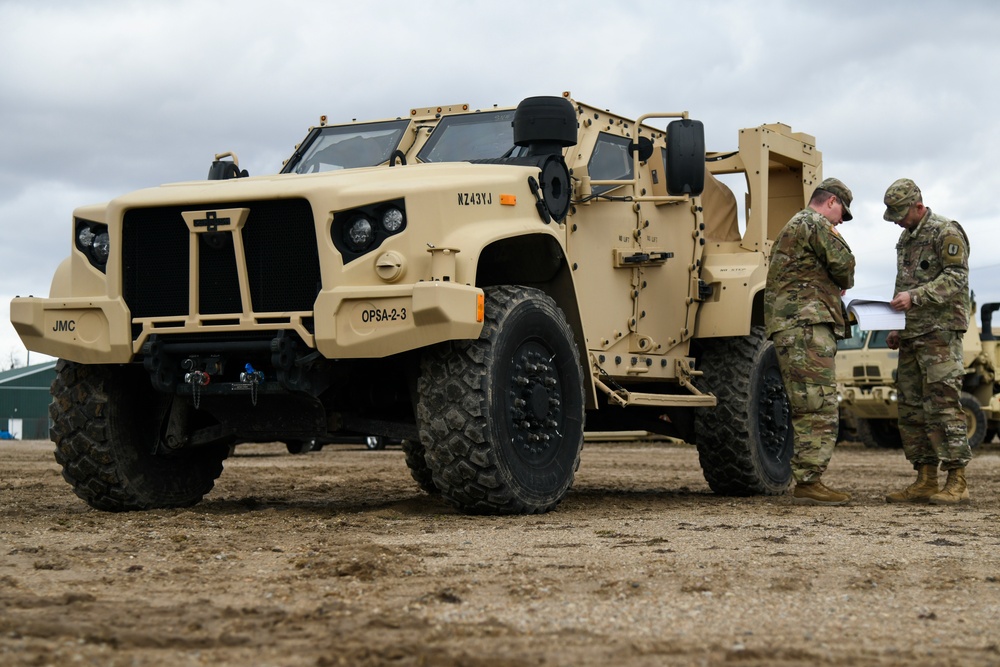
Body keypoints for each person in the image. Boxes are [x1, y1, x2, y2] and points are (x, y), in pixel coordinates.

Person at [765, 177, 856, 505]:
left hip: (792, 325)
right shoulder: (814, 223)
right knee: (819, 404)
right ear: (831, 202)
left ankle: (808, 477)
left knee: (807, 402)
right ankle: (809, 481)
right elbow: (846, 267)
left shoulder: (794, 226)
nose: (839, 222)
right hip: (807, 325)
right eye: (841, 214)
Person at [883, 178, 972, 505]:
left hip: (940, 332)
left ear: (918, 206)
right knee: (910, 406)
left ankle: (957, 479)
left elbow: (956, 279)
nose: (896, 221)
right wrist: (895, 325)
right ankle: (925, 478)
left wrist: (915, 298)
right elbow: (902, 283)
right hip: (911, 333)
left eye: (900, 214)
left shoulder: (945, 232)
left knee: (943, 403)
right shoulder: (906, 238)